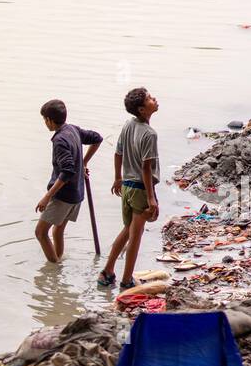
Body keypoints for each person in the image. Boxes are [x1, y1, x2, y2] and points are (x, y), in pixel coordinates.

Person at [99, 87, 160, 290]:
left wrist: (118, 178)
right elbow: (146, 167)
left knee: (127, 231)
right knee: (135, 236)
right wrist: (152, 198)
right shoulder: (149, 134)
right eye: (150, 98)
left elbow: (118, 154)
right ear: (142, 109)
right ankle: (126, 280)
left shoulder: (128, 125)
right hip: (140, 189)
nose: (155, 99)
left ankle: (107, 271)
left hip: (126, 186)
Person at [34, 100, 102, 263]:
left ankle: (54, 266)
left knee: (41, 233)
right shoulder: (73, 129)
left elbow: (67, 171)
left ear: (49, 120)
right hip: (77, 194)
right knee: (58, 231)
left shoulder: (59, 141)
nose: (45, 123)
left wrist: (47, 197)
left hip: (63, 196)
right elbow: (97, 138)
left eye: (45, 119)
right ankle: (58, 265)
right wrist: (84, 162)